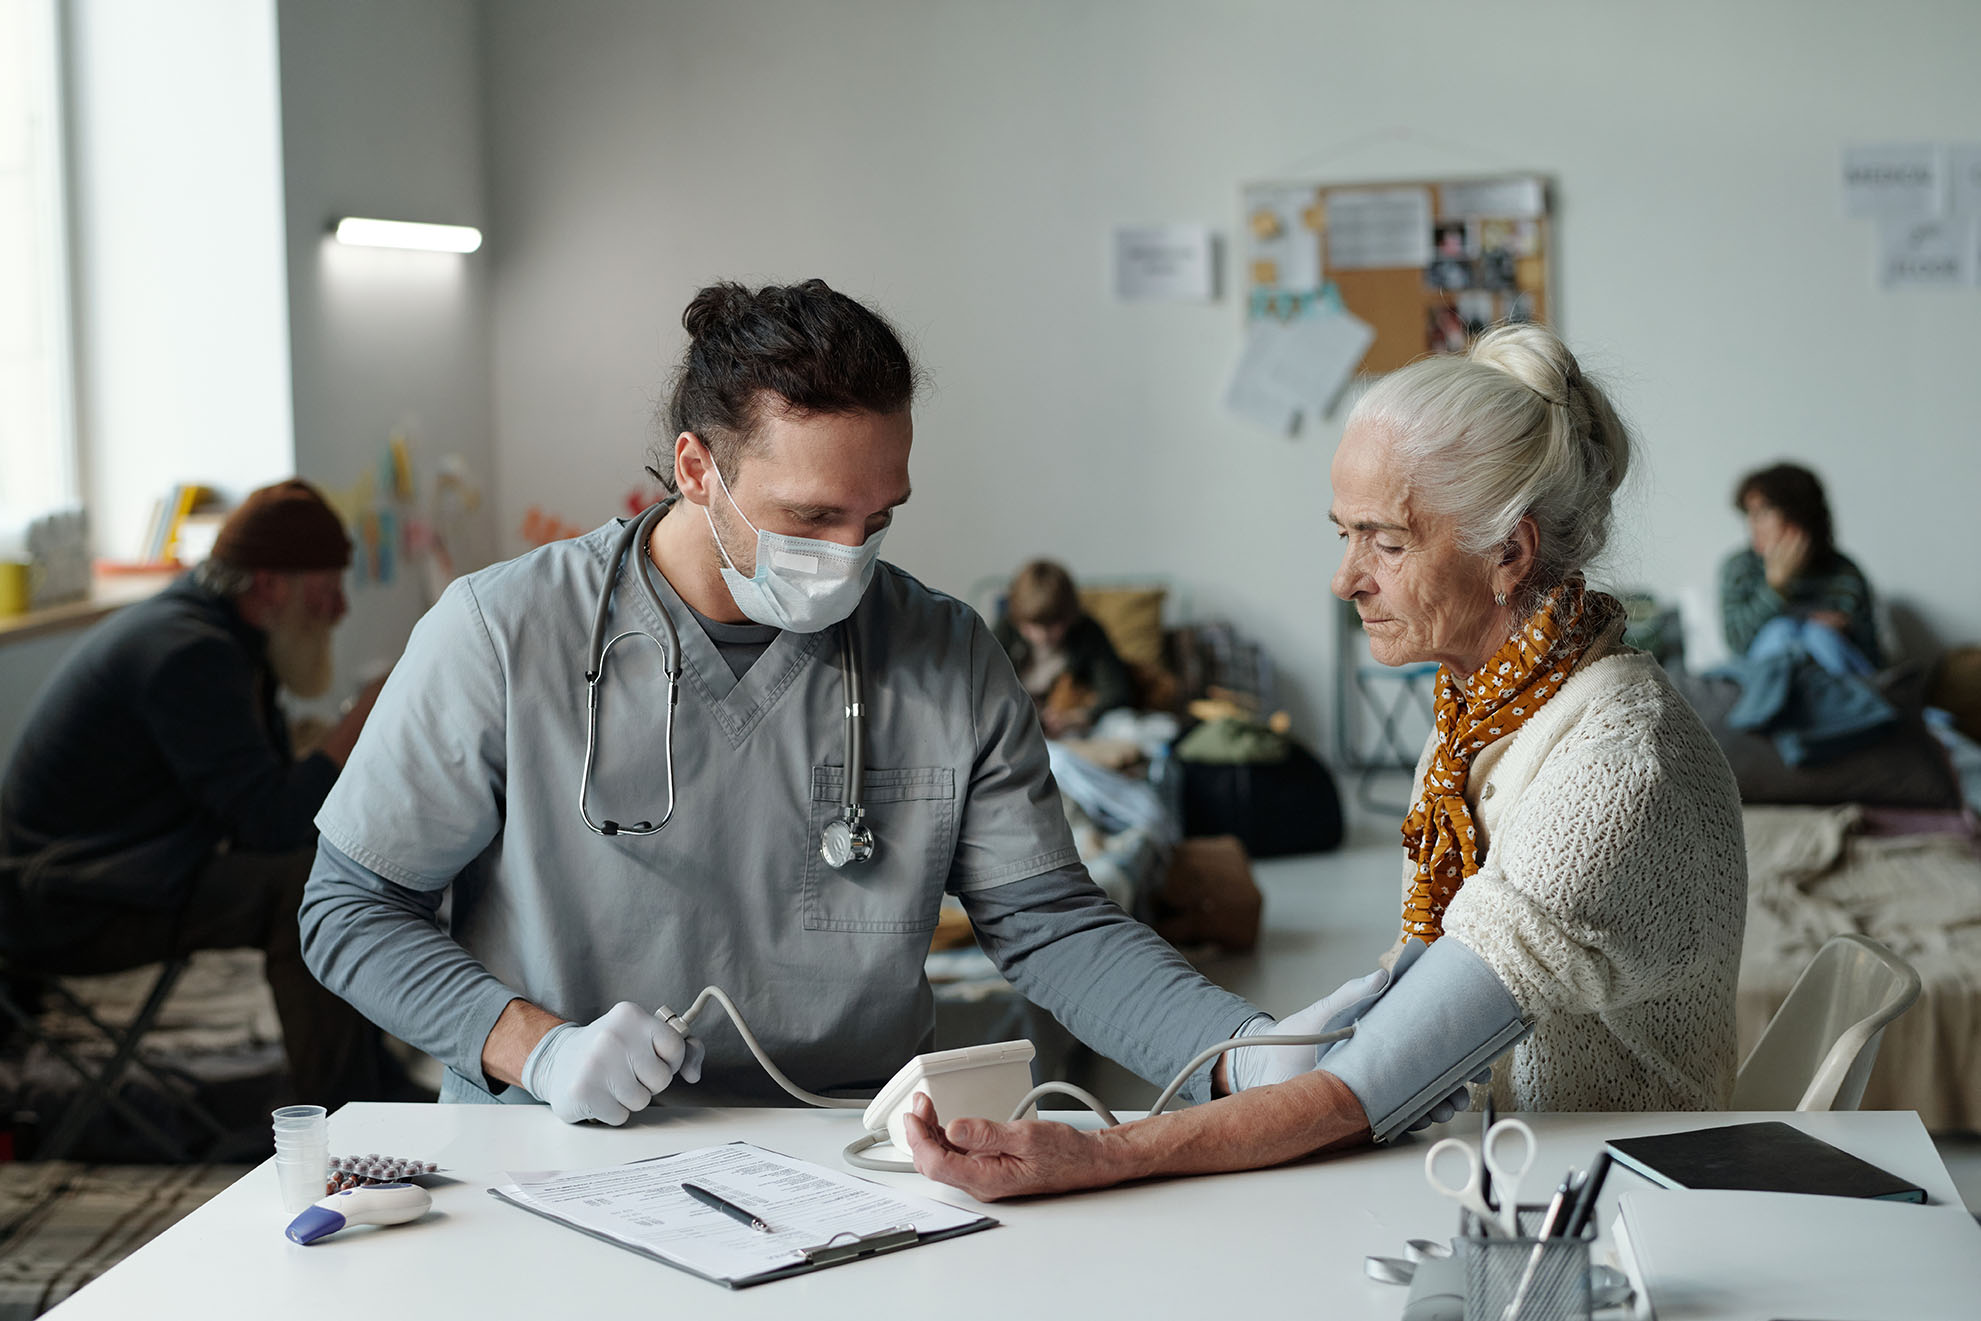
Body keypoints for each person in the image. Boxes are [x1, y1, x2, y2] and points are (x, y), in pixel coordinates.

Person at [298, 280, 1276, 1123]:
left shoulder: (945, 657)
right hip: (558, 1140)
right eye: (811, 516)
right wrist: (533, 1048)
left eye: (877, 518)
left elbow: (1054, 926)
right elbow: (351, 908)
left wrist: (1248, 1052)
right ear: (696, 470)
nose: (849, 555)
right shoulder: (502, 632)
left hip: (845, 1147)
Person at [905, 323, 1748, 1200]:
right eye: (1344, 533)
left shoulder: (1617, 761)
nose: (1345, 579)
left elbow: (1366, 1088)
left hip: (1613, 1211)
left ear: (1509, 552)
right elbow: (1400, 1040)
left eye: (1385, 541)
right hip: (1505, 1179)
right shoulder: (1478, 717)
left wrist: (1101, 1154)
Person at [0, 480, 395, 1109]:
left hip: (105, 872)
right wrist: (357, 725)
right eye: (328, 587)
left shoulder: (218, 633)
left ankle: (376, 1080)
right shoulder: (190, 653)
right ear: (272, 585)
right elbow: (271, 823)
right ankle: (348, 1113)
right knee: (304, 886)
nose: (341, 607)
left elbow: (261, 797)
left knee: (332, 864)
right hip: (64, 904)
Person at [1721, 462, 1881, 676]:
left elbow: (1872, 659)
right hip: (1771, 679)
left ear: (1798, 515)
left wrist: (1846, 632)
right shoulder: (1740, 569)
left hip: (1834, 678)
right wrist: (1775, 588)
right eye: (1750, 514)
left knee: (1819, 637)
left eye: (1763, 513)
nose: (1753, 525)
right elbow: (1738, 647)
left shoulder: (1845, 573)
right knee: (1781, 633)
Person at [991, 559, 1134, 737]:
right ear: (1018, 619)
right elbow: (988, 691)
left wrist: (1078, 717)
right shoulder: (1004, 631)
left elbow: (1115, 692)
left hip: (1075, 727)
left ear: (1069, 617)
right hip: (1018, 727)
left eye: (1052, 626)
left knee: (1123, 724)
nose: (1042, 636)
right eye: (1032, 626)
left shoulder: (1088, 631)